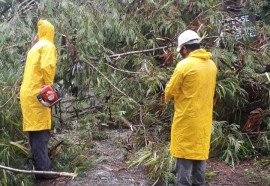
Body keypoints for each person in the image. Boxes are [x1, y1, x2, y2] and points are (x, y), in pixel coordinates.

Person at [165, 30, 217, 186]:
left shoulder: (185, 65)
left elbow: (169, 92)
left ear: (185, 49)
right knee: (199, 157)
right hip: (204, 121)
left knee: (184, 162)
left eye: (181, 51)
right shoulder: (212, 65)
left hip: (186, 122)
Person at [20, 20, 57, 180]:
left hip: (27, 94)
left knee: (35, 133)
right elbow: (47, 67)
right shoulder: (47, 46)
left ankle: (40, 169)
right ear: (51, 32)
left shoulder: (34, 48)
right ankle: (43, 171)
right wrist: (49, 88)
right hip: (38, 94)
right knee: (41, 132)